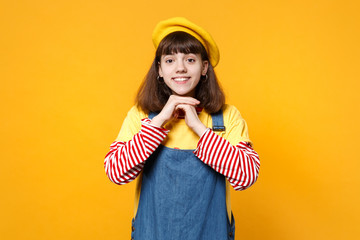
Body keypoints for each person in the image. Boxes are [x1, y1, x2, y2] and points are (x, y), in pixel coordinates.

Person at [104, 17, 260, 240]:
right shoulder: (141, 116)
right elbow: (115, 172)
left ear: (204, 67)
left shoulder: (226, 117)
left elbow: (246, 176)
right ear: (159, 69)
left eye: (189, 59)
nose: (180, 68)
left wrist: (199, 128)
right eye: (169, 60)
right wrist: (160, 120)